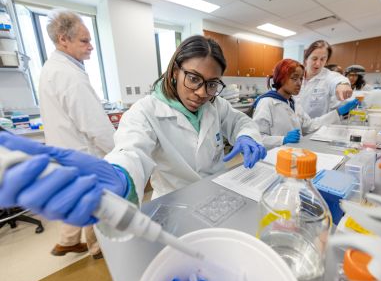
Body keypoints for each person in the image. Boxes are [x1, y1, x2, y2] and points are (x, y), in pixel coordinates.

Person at [0, 35, 266, 228]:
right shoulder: (145, 111)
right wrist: (122, 175)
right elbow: (131, 150)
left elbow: (239, 122)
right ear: (175, 71)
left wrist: (246, 135)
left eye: (211, 84)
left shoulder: (215, 104)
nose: (201, 92)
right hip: (176, 204)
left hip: (217, 195)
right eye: (194, 78)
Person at [39, 9, 116, 259]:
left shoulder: (52, 68)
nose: (91, 46)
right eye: (84, 41)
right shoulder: (70, 76)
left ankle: (68, 240)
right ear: (64, 40)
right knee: (95, 197)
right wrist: (120, 151)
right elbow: (95, 125)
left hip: (63, 150)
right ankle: (98, 247)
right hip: (81, 152)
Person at [252, 59, 358, 149]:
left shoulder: (293, 102)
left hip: (294, 153)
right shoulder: (266, 103)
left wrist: (338, 113)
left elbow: (309, 125)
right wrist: (282, 139)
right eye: (294, 78)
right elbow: (255, 138)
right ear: (281, 78)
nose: (299, 83)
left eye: (301, 78)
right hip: (273, 159)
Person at [296, 40, 353, 118]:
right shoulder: (296, 75)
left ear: (326, 61)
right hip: (292, 125)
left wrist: (343, 84)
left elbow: (337, 79)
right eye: (314, 58)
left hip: (316, 128)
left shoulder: (328, 76)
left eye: (322, 59)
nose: (318, 63)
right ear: (306, 59)